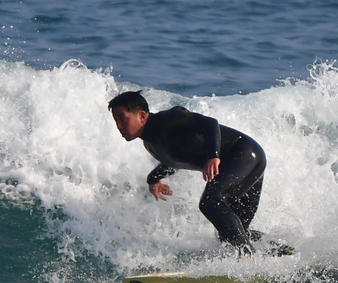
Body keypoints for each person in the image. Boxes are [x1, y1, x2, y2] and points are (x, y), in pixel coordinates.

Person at [108, 90, 267, 253]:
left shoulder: (168, 119)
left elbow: (209, 123)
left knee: (210, 202)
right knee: (233, 232)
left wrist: (214, 155)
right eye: (116, 121)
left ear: (142, 116)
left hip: (244, 154)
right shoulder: (152, 144)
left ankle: (249, 257)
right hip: (248, 162)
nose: (119, 126)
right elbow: (172, 162)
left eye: (122, 119)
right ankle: (278, 251)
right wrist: (153, 179)